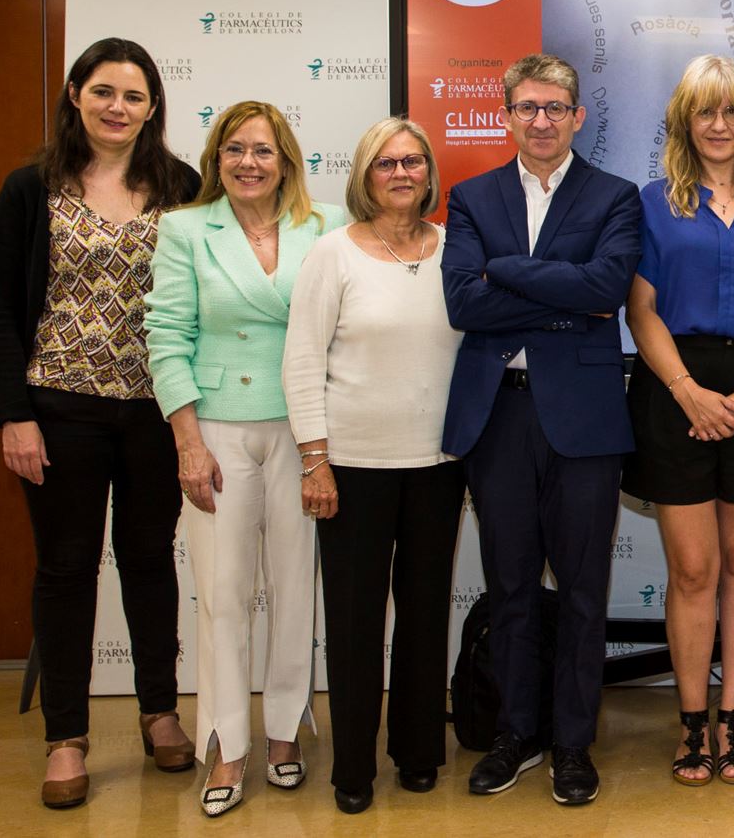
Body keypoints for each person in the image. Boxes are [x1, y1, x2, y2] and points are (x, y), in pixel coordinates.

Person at [0, 37, 199, 810]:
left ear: (152, 107)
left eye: (134, 96)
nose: (118, 107)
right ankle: (67, 737)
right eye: (104, 91)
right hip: (57, 410)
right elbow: (0, 309)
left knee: (149, 562)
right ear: (76, 94)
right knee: (67, 569)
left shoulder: (180, 186)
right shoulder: (29, 188)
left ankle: (160, 712)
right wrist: (12, 414)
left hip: (154, 411)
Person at [441, 53, 641, 806]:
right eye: (527, 107)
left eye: (556, 107)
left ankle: (572, 742)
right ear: (507, 116)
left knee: (584, 591)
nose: (542, 120)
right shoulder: (471, 196)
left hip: (584, 418)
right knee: (512, 586)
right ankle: (516, 733)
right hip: (499, 415)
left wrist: (506, 270)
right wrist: (564, 301)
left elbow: (607, 287)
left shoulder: (615, 195)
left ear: (577, 116)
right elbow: (464, 304)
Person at [144, 101, 345, 817]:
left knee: (294, 589)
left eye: (262, 150)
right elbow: (167, 335)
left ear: (285, 160)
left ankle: (285, 730)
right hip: (218, 428)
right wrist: (188, 443)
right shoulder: (185, 228)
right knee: (224, 595)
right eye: (234, 150)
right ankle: (226, 744)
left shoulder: (326, 225)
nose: (248, 163)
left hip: (303, 429)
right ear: (216, 160)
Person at [622, 55, 734, 786]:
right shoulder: (652, 203)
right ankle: (692, 724)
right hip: (676, 390)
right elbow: (641, 310)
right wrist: (689, 393)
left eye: (732, 111)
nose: (719, 124)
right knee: (694, 569)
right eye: (705, 110)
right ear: (684, 122)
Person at [281, 118, 465, 814]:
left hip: (439, 463)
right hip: (352, 466)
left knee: (425, 613)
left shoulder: (455, 249)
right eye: (386, 163)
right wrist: (315, 461)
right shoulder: (333, 254)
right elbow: (302, 360)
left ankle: (418, 752)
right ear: (365, 174)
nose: (401, 173)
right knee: (356, 622)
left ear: (429, 174)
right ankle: (352, 767)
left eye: (413, 161)